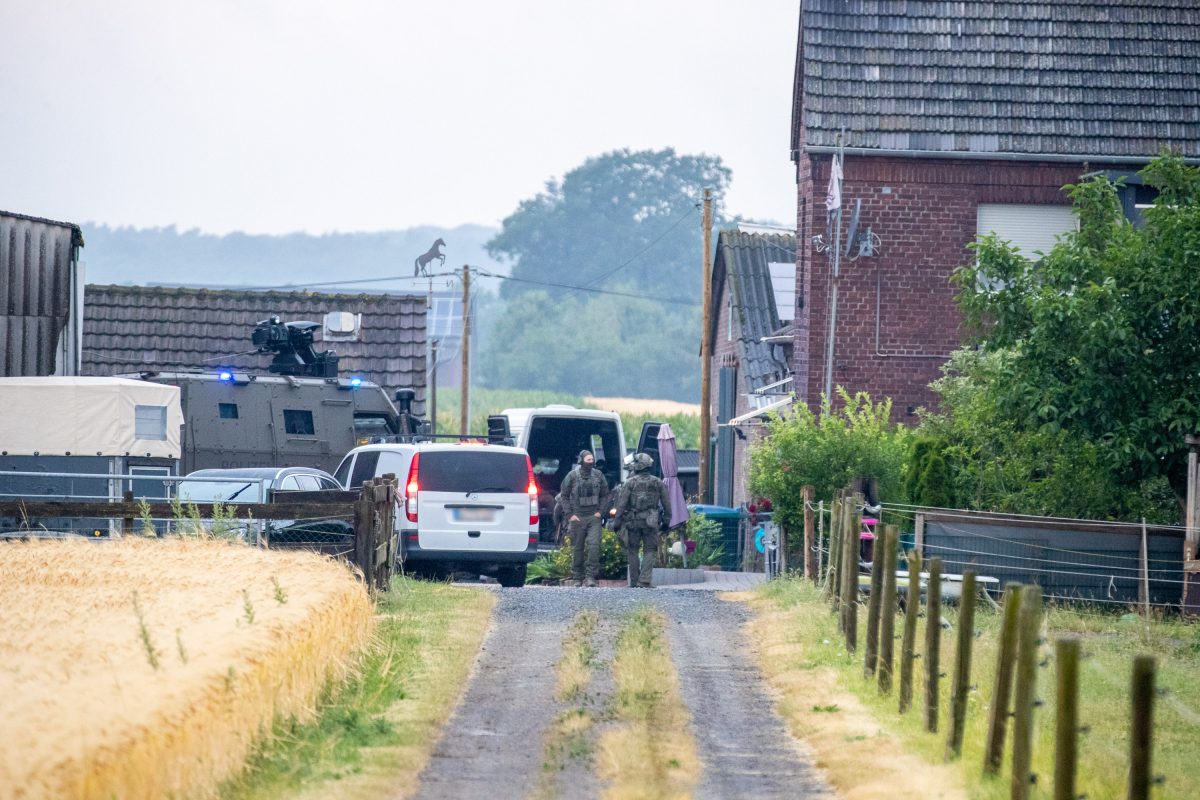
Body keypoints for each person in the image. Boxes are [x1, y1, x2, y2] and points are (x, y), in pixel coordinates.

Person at [613, 452, 672, 588]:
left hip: (633, 522)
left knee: (632, 550)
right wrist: (666, 522)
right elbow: (667, 504)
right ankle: (644, 580)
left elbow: (621, 505)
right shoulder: (658, 482)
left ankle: (634, 582)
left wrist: (617, 523)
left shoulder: (630, 483)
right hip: (651, 522)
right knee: (650, 550)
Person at [559, 449, 609, 587]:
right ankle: (577, 577)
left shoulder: (599, 475)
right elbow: (564, 495)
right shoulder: (572, 476)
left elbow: (605, 494)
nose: (591, 462)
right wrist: (570, 514)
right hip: (578, 517)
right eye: (588, 460)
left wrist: (600, 512)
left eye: (592, 459)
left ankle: (591, 576)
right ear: (581, 461)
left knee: (594, 546)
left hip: (594, 517)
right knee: (577, 548)